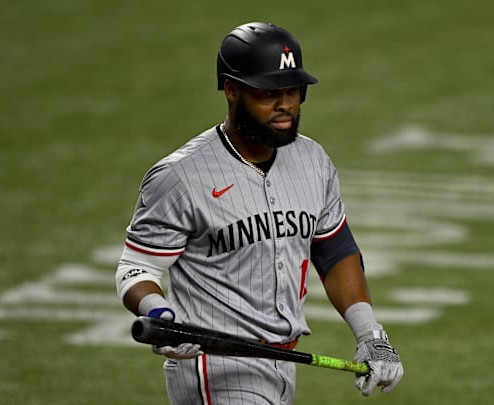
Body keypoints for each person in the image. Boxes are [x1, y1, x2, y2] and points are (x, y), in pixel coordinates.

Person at [116, 21, 403, 404]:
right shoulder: (180, 176)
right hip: (216, 366)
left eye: (293, 91)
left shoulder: (312, 160)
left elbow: (334, 253)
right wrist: (161, 315)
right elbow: (136, 269)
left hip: (282, 361)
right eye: (268, 93)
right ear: (232, 90)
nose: (285, 104)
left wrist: (371, 334)